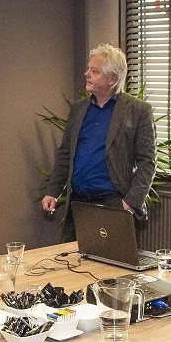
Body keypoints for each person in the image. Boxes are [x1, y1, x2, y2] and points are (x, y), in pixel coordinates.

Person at [41, 43, 157, 242]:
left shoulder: (138, 111)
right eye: (89, 68)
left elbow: (148, 162)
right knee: (70, 266)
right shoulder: (79, 109)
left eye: (94, 71)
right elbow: (66, 153)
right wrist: (52, 190)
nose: (87, 74)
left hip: (113, 204)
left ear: (112, 78)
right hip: (77, 204)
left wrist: (129, 203)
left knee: (110, 270)